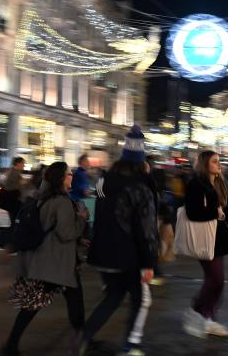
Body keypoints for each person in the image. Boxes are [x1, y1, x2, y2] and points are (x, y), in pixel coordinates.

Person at [74, 125, 158, 356]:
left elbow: (101, 210)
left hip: (103, 251)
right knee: (139, 299)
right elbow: (146, 228)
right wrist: (149, 262)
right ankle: (131, 346)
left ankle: (85, 334)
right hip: (128, 255)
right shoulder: (141, 188)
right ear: (142, 161)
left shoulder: (103, 182)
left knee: (112, 297)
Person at [2, 162, 88, 356]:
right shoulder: (62, 201)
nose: (71, 176)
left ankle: (11, 345)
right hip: (59, 263)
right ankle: (79, 343)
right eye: (68, 174)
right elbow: (66, 233)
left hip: (44, 262)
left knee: (32, 306)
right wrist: (82, 218)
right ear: (61, 178)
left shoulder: (40, 198)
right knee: (75, 302)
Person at [182, 151, 228, 339]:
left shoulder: (220, 183)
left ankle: (208, 317)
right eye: (214, 162)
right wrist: (216, 213)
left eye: (219, 161)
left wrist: (226, 221)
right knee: (216, 280)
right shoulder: (196, 184)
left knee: (216, 282)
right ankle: (198, 313)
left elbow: (227, 210)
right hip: (204, 239)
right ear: (205, 164)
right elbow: (192, 212)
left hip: (219, 239)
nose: (218, 164)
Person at [0, 157, 25, 224]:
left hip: (11, 199)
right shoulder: (14, 173)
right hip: (13, 200)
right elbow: (15, 187)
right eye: (23, 163)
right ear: (18, 163)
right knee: (14, 219)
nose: (24, 165)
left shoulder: (12, 171)